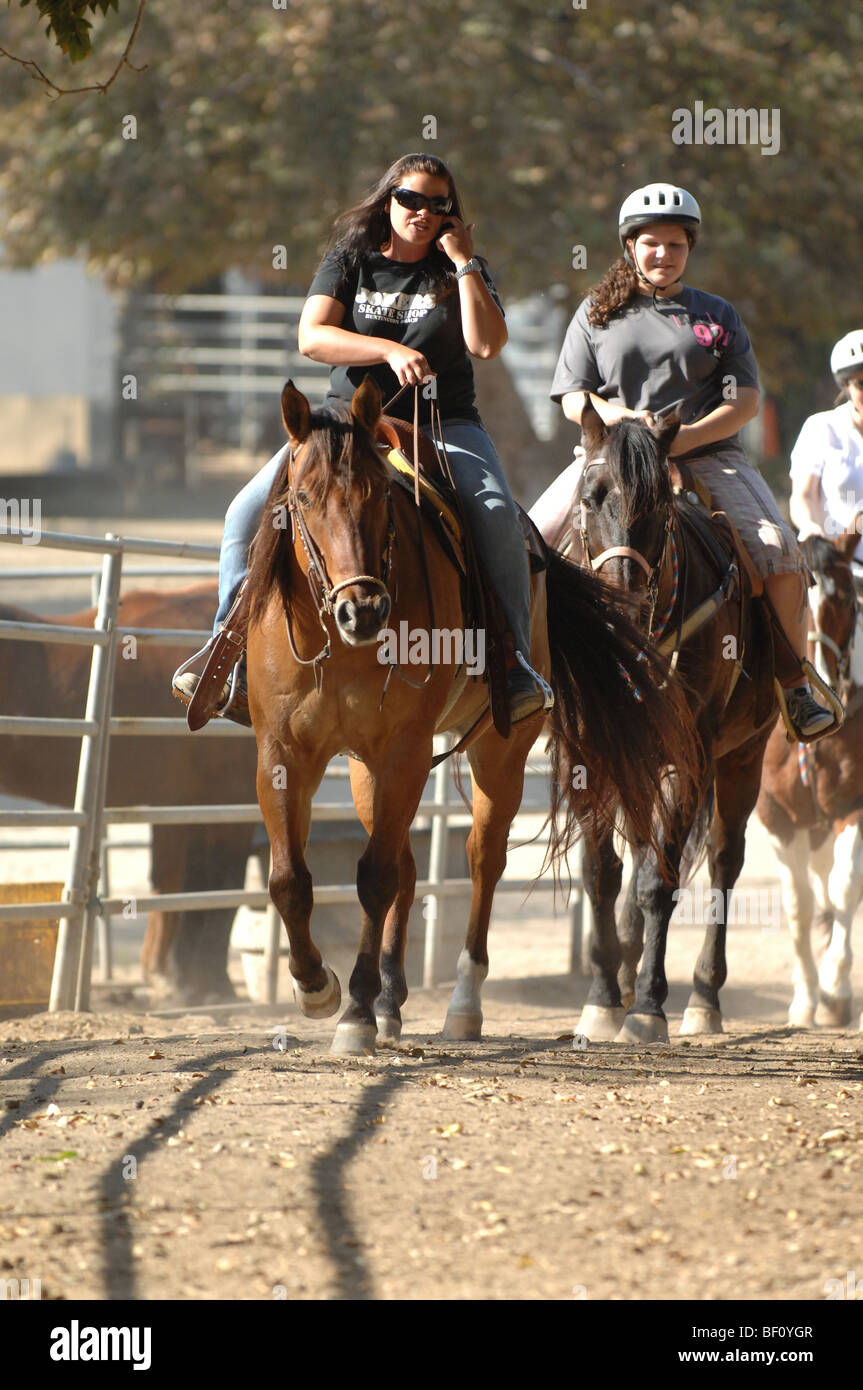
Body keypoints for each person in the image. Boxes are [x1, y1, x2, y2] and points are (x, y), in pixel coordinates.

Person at [173, 153, 550, 726]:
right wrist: (388, 350)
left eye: (437, 205)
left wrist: (466, 263)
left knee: (496, 513)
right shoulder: (350, 259)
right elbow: (312, 337)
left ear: (451, 215)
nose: (422, 213)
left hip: (442, 424)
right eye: (411, 200)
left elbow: (487, 345)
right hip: (340, 430)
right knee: (243, 513)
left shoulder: (461, 269)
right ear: (388, 200)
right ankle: (228, 655)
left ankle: (512, 662)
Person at [531, 180, 834, 740]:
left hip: (708, 453)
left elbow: (744, 400)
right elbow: (574, 397)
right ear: (630, 247)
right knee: (528, 543)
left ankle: (795, 686)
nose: (662, 255)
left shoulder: (717, 315)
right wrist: (622, 421)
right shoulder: (596, 312)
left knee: (778, 550)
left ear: (688, 249)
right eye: (650, 243)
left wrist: (685, 438)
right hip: (612, 458)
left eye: (675, 245)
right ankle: (526, 675)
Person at [790, 330, 863, 559]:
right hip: (838, 571)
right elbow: (803, 495)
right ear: (845, 386)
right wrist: (810, 527)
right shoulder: (821, 428)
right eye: (862, 383)